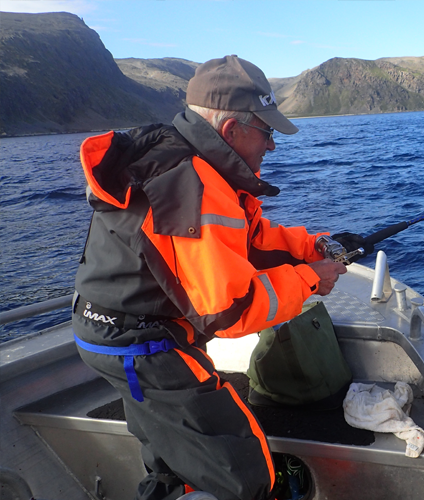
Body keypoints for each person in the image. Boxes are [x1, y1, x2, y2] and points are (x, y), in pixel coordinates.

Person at [72, 55, 369, 500]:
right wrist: (310, 280)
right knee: (245, 473)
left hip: (112, 329)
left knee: (172, 454)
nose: (271, 146)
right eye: (267, 133)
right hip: (141, 344)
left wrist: (314, 247)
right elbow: (232, 311)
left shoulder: (190, 163)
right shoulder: (195, 187)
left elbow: (247, 241)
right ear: (232, 131)